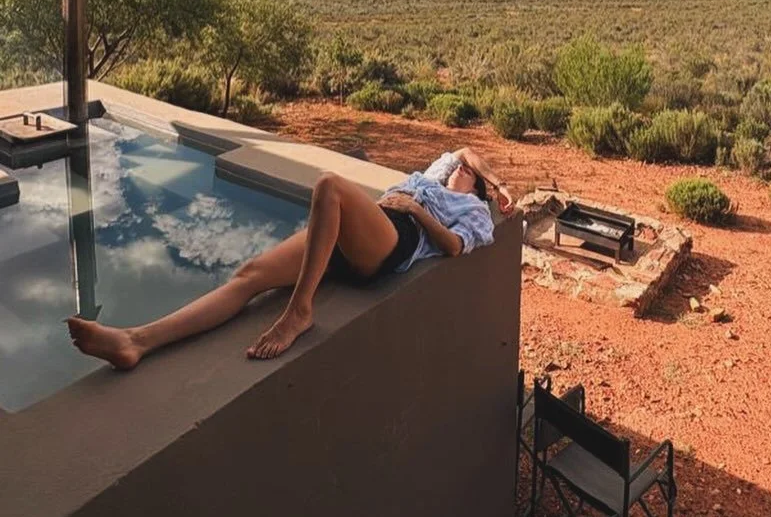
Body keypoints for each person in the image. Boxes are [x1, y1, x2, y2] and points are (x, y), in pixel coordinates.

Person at [66, 146, 515, 369]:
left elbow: (454, 247)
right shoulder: (437, 173)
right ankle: (136, 341)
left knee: (329, 186)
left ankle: (300, 310)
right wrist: (497, 179)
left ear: (476, 190)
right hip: (359, 227)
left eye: (469, 175)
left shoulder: (473, 209)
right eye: (461, 168)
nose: (461, 168)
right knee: (250, 274)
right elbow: (466, 151)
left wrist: (420, 208)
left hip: (396, 236)